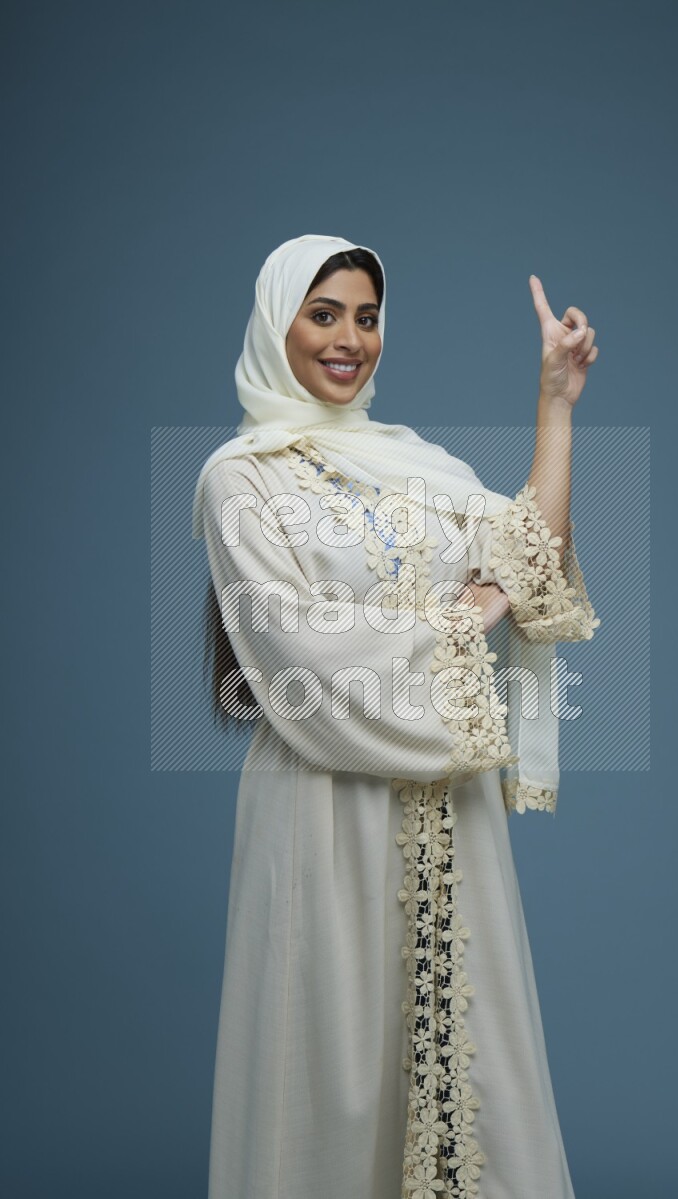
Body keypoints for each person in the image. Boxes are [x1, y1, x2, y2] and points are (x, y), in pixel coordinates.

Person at [193, 234, 601, 1198]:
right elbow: (302, 655)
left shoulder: (419, 468)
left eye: (366, 317)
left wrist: (555, 403)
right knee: (332, 1085)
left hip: (452, 823)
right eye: (323, 313)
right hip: (322, 818)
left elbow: (530, 562)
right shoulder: (240, 480)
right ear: (276, 323)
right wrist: (468, 615)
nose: (349, 339)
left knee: (475, 1074)